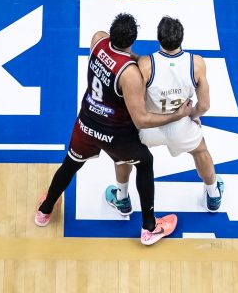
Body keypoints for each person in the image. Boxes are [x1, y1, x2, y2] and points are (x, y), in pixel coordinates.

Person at [34, 13, 193, 245]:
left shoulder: (98, 40)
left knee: (70, 164)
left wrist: (135, 58)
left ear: (112, 32)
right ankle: (149, 228)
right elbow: (142, 119)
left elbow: (115, 57)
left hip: (86, 124)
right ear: (133, 41)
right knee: (145, 163)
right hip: (115, 135)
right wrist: (177, 115)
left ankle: (45, 211)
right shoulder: (130, 74)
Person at [108, 16, 225, 212]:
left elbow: (136, 99)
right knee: (200, 151)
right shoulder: (196, 63)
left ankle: (121, 197)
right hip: (181, 127)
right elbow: (204, 105)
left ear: (158, 38)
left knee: (123, 155)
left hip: (149, 128)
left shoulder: (146, 64)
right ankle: (213, 196)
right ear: (181, 38)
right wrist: (192, 115)